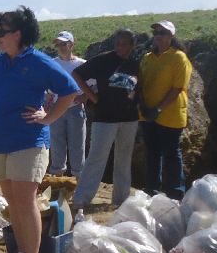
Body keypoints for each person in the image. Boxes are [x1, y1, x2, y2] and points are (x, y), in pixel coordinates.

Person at [0, 7, 81, 253]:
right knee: (12, 199)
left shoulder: (37, 61)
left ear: (18, 34)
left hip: (29, 141)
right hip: (1, 141)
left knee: (26, 200)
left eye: (1, 32)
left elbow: (70, 90)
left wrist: (48, 117)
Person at [71, 29, 141, 210]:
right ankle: (81, 199)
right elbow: (77, 74)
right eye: (117, 43)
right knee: (96, 158)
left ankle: (121, 200)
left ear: (132, 46)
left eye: (124, 44)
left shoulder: (135, 63)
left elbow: (136, 88)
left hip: (129, 118)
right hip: (104, 117)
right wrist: (92, 97)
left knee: (123, 160)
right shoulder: (103, 60)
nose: (120, 47)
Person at [137, 20, 192, 200]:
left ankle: (176, 192)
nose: (158, 36)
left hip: (170, 114)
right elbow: (141, 84)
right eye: (156, 33)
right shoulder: (147, 58)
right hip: (147, 114)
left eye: (163, 33)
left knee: (171, 153)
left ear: (171, 36)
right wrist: (144, 106)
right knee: (152, 151)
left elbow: (177, 88)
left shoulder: (179, 57)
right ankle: (152, 188)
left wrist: (158, 109)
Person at [47, 31, 87, 177]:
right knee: (57, 145)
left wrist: (85, 98)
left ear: (72, 44)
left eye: (64, 44)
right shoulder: (52, 63)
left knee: (77, 146)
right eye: (59, 44)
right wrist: (48, 97)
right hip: (56, 109)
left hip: (75, 109)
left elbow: (94, 85)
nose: (61, 47)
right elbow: (46, 84)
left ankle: (78, 181)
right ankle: (57, 182)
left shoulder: (82, 64)